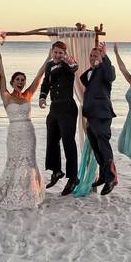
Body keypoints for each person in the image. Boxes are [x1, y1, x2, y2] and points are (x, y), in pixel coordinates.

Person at [0, 50, 46, 209]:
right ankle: (12, 192)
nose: (21, 82)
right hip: (14, 133)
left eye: (23, 80)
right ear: (12, 82)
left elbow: (39, 76)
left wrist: (48, 57)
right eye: (18, 79)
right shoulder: (6, 96)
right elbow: (1, 77)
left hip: (29, 132)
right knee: (14, 161)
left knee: (29, 161)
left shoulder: (28, 94)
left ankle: (31, 192)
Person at [38, 41, 80, 195]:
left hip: (67, 107)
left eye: (60, 53)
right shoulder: (49, 66)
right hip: (54, 107)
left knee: (68, 141)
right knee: (52, 139)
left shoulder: (67, 65)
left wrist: (72, 63)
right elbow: (45, 83)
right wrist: (42, 97)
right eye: (55, 52)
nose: (57, 55)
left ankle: (73, 177)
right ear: (52, 51)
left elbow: (74, 68)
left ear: (64, 54)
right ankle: (56, 171)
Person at [80, 42, 118, 195]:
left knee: (103, 146)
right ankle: (103, 175)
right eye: (91, 55)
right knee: (96, 147)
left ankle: (111, 178)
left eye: (95, 55)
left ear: (101, 57)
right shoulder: (90, 72)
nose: (92, 58)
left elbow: (111, 76)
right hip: (90, 114)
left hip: (102, 114)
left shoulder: (106, 69)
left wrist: (105, 57)